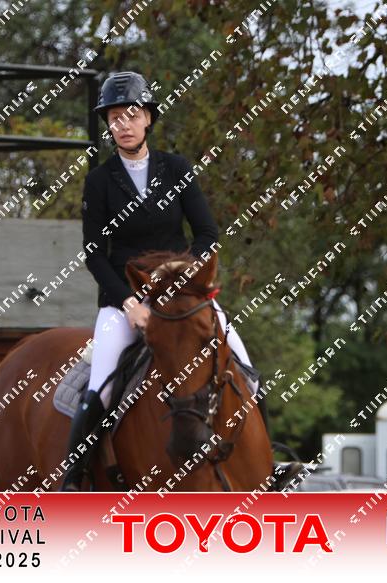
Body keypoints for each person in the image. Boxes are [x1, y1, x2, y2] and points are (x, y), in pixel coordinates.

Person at [59, 71, 267, 491]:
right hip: (124, 301)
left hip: (182, 295)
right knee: (99, 386)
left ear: (148, 119)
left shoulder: (177, 168)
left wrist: (182, 273)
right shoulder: (99, 181)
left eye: (132, 115)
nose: (124, 125)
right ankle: (74, 478)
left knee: (247, 372)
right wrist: (129, 304)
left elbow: (206, 233)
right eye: (115, 118)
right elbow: (94, 254)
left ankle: (269, 464)